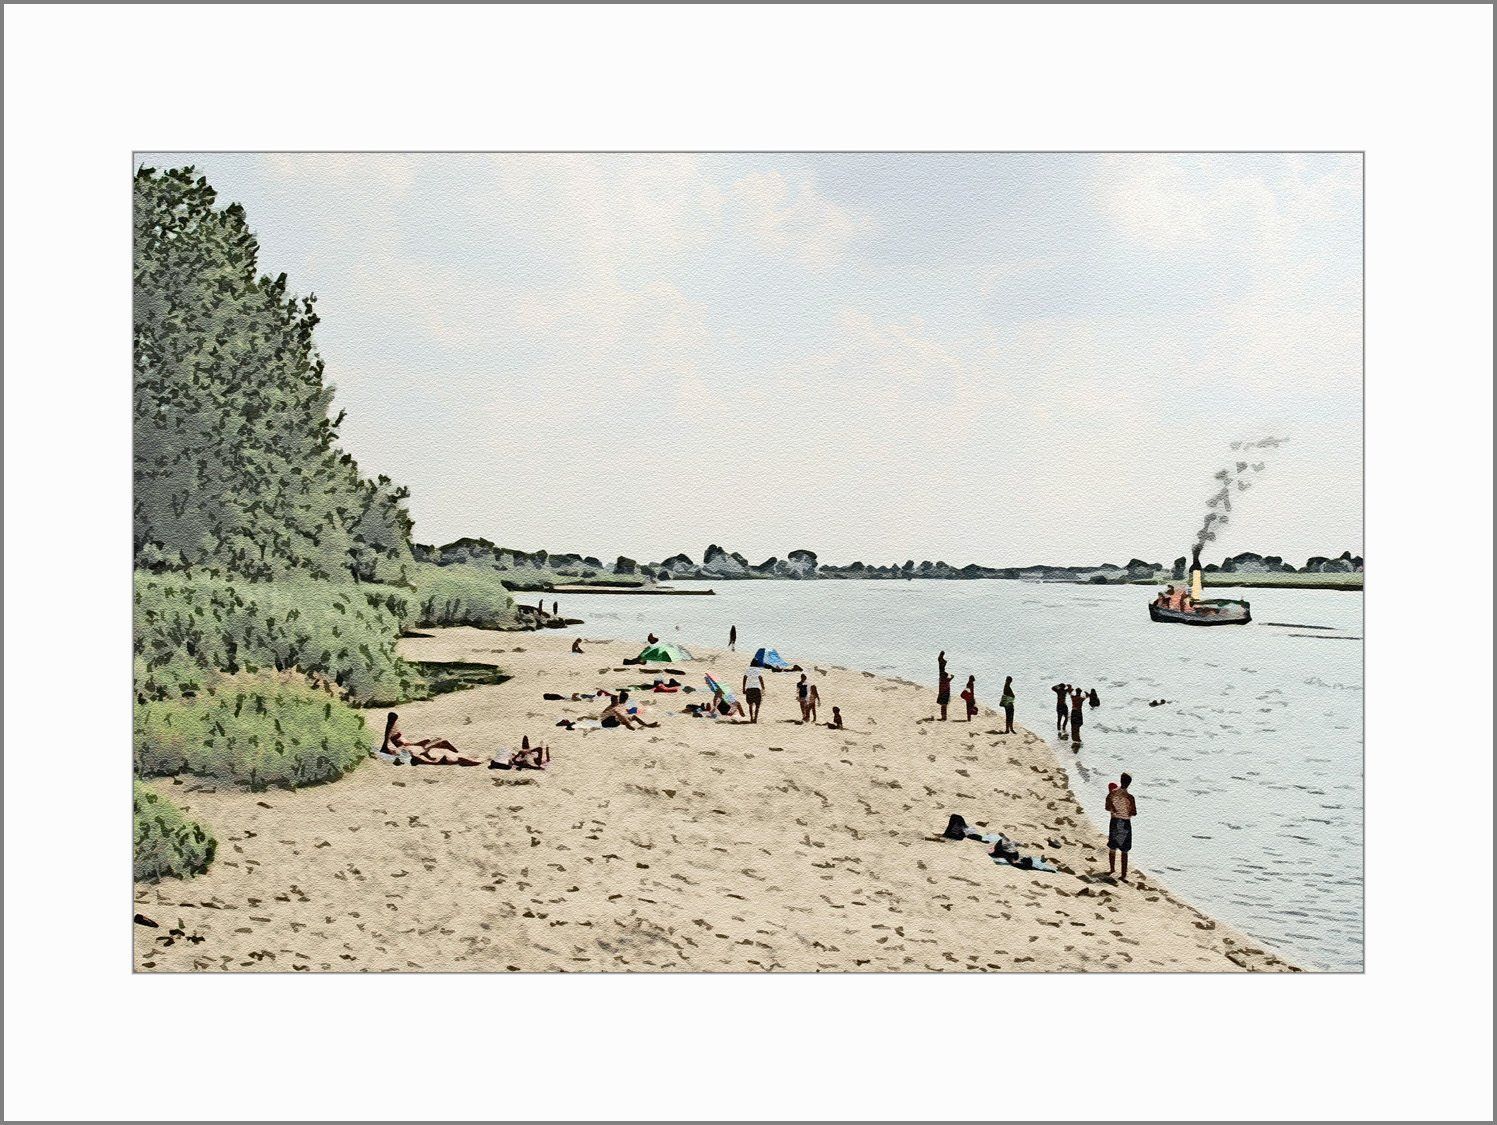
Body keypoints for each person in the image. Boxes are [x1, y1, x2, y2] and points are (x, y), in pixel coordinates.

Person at [379, 712, 481, 766]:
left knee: (440, 742)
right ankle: (459, 755)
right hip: (413, 749)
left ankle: (458, 754)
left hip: (414, 747)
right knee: (443, 744)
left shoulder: (396, 736)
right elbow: (388, 736)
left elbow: (393, 735)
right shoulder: (397, 741)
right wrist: (386, 746)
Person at [1104, 773, 1137, 879]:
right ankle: (1123, 875)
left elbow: (1107, 807)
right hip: (1125, 823)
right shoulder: (1130, 797)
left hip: (1114, 821)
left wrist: (1115, 810)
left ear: (1120, 780)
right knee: (1124, 850)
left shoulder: (1112, 793)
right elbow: (1133, 812)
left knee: (1112, 847)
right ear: (1129, 784)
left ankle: (1112, 869)